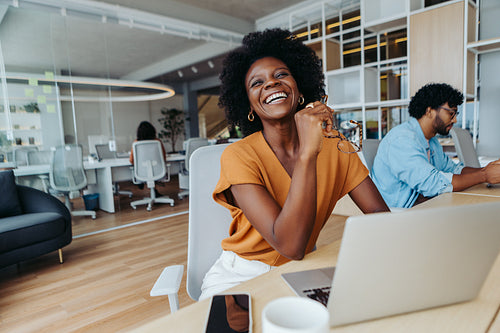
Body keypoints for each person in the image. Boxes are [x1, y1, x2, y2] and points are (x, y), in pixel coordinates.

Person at [199, 28, 389, 299]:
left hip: (304, 269)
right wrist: (308, 153)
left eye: (281, 74)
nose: (271, 83)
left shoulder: (336, 147)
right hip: (241, 276)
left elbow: (380, 218)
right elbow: (289, 245)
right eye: (257, 83)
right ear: (249, 107)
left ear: (299, 88)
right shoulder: (239, 155)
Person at [371, 83, 500, 209]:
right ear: (429, 111)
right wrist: (484, 175)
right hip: (401, 215)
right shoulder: (402, 140)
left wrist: (489, 170)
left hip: (427, 206)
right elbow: (434, 184)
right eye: (451, 113)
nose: (455, 120)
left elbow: (453, 169)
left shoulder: (432, 142)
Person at [129, 121, 167, 194]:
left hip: (141, 172)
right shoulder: (157, 141)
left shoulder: (136, 143)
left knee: (145, 171)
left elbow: (131, 160)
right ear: (153, 130)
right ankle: (154, 191)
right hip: (158, 171)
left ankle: (141, 182)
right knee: (153, 170)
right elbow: (163, 157)